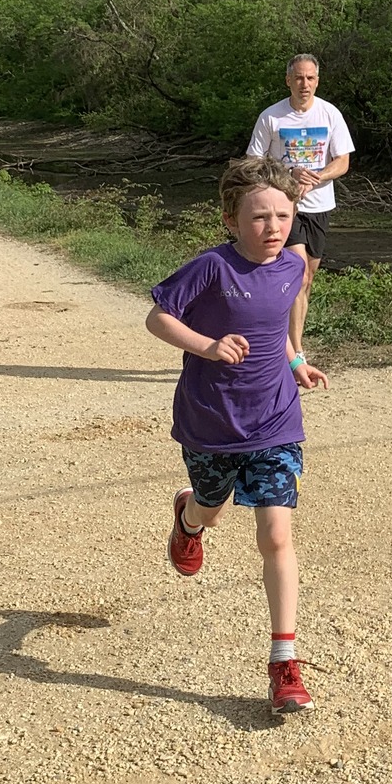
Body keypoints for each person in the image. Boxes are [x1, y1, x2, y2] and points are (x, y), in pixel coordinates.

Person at [146, 155, 328, 717]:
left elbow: (281, 326)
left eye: (281, 215)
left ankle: (284, 665)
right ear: (231, 219)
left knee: (276, 536)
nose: (272, 228)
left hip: (276, 417)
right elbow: (157, 318)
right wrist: (206, 346)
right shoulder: (209, 268)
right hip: (212, 420)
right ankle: (188, 518)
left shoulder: (293, 265)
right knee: (212, 508)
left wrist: (296, 361)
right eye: (258, 218)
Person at [246, 54, 355, 358]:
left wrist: (319, 176)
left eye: (309, 78)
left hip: (320, 205)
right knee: (299, 274)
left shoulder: (330, 114)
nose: (304, 84)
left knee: (305, 282)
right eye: (298, 78)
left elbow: (343, 161)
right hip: (283, 206)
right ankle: (295, 353)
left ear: (317, 81)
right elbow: (253, 162)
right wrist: (288, 174)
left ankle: (278, 339)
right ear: (288, 81)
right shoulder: (272, 117)